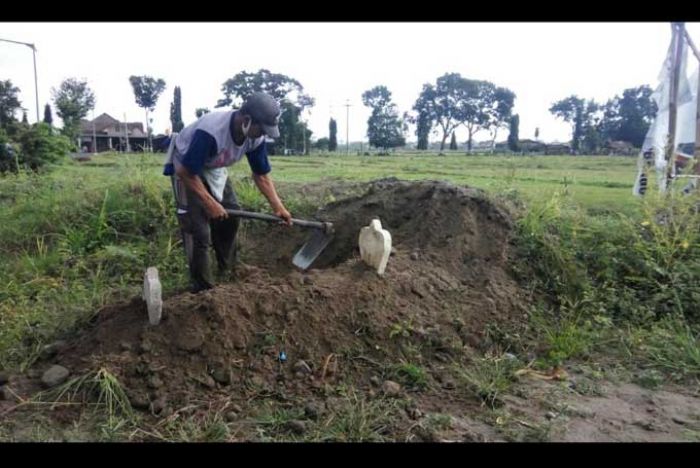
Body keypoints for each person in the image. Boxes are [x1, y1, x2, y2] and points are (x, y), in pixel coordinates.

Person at [163, 92, 292, 293]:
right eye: (262, 129)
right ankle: (204, 289)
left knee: (231, 215)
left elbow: (261, 175)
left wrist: (279, 207)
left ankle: (228, 268)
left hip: (214, 166)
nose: (263, 135)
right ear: (247, 119)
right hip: (187, 166)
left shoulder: (255, 139)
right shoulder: (211, 131)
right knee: (200, 231)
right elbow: (186, 172)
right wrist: (210, 203)